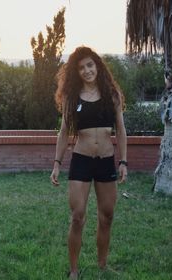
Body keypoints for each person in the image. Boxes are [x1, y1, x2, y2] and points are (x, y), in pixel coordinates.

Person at [50, 46, 128, 279]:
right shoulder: (72, 98)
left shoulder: (112, 95)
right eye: (82, 67)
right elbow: (64, 132)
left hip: (105, 161)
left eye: (90, 65)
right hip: (81, 161)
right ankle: (74, 271)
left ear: (98, 65)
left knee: (107, 216)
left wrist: (123, 161)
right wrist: (57, 163)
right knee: (77, 216)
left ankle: (102, 266)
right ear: (77, 72)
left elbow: (121, 130)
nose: (87, 70)